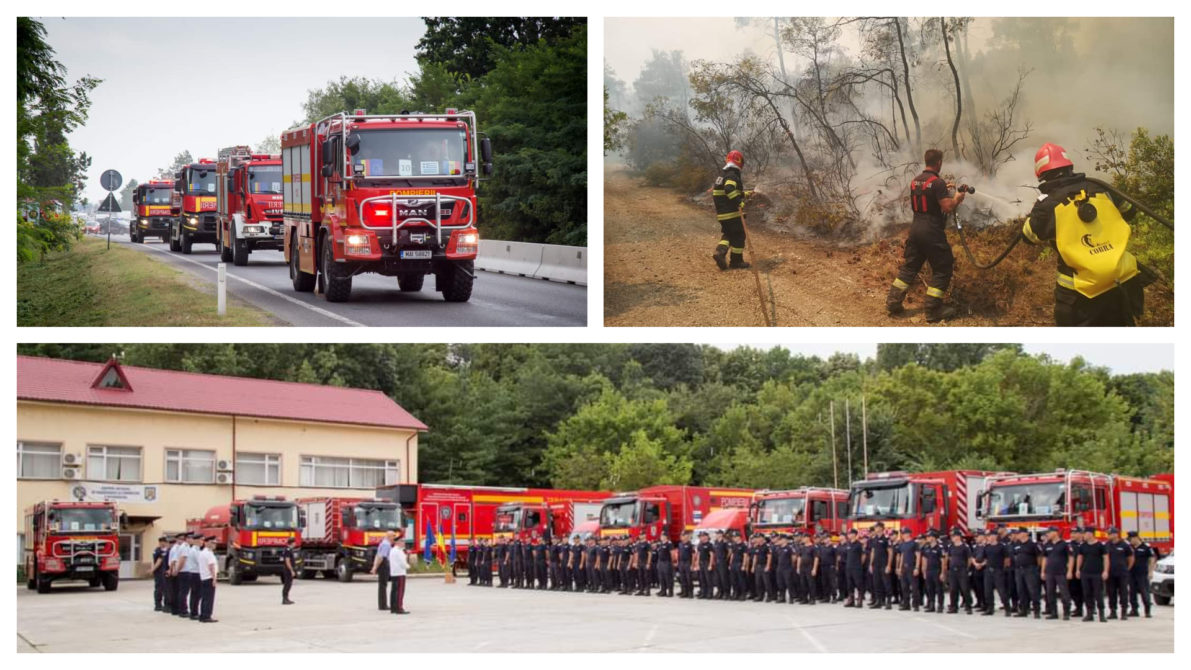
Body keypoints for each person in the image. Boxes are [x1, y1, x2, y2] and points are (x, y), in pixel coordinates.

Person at [1021, 142, 1150, 326]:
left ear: (1042, 175)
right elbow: (1129, 211)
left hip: (1081, 296)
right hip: (1123, 281)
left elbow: (1028, 237)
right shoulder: (1101, 189)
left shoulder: (1048, 205)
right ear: (1069, 167)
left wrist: (1038, 210)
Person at [886, 148, 967, 322]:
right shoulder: (937, 183)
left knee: (910, 267)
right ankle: (933, 310)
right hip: (932, 231)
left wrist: (943, 189)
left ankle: (893, 302)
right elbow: (947, 207)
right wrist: (957, 198)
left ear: (926, 161)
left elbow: (927, 194)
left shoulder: (916, 181)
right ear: (939, 163)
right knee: (943, 267)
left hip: (916, 229)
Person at [711, 150, 751, 271]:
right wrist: (739, 202)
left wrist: (745, 194)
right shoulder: (732, 175)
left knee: (729, 234)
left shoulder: (723, 175)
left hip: (722, 214)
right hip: (732, 213)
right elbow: (729, 189)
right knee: (739, 235)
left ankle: (720, 252)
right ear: (739, 162)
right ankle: (736, 261)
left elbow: (727, 191)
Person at [1041, 527, 1074, 620]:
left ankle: (1066, 612)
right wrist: (1043, 571)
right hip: (1049, 572)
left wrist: (1070, 571)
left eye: (1049, 532)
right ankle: (1053, 612)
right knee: (1050, 593)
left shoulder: (1064, 544)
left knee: (1064, 593)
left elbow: (1071, 558)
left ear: (1055, 533)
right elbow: (1045, 558)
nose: (1047, 534)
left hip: (1061, 572)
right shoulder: (1047, 545)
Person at [1076, 526, 1107, 622]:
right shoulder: (1083, 546)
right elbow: (1080, 558)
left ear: (1090, 534)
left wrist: (1105, 571)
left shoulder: (1100, 546)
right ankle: (1089, 613)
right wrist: (1078, 570)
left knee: (1098, 594)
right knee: (1087, 594)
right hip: (1085, 573)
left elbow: (1106, 559)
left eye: (1085, 533)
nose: (1083, 535)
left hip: (1097, 573)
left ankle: (1102, 614)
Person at [1104, 527, 1134, 620]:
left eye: (1110, 534)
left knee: (1123, 592)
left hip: (1122, 573)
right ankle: (1113, 612)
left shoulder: (1125, 545)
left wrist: (1127, 569)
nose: (1109, 536)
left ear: (1116, 534)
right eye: (1108, 534)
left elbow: (1131, 558)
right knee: (1111, 592)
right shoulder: (1107, 545)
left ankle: (1124, 612)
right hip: (1110, 573)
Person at [1012, 527, 1042, 618]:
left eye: (1019, 533)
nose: (1018, 535)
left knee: (1033, 590)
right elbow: (1015, 555)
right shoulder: (1017, 544)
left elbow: (1039, 557)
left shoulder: (1033, 544)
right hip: (1019, 569)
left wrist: (1037, 568)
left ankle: (1036, 610)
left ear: (1025, 534)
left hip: (1030, 569)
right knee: (1021, 590)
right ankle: (1024, 610)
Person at [983, 526, 1011, 617]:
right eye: (989, 536)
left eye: (992, 535)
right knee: (988, 591)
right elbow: (985, 559)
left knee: (1001, 591)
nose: (990, 537)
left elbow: (1007, 559)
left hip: (998, 570)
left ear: (995, 536)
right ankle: (990, 608)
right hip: (988, 570)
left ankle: (1007, 608)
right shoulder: (987, 547)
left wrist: (1003, 568)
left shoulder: (1001, 546)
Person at [1126, 531, 1155, 618]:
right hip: (1131, 573)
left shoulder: (1146, 547)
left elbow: (1152, 559)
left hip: (1142, 574)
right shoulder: (1129, 547)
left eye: (1130, 539)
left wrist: (1151, 571)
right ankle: (1134, 610)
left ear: (1136, 538)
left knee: (1144, 592)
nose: (1129, 541)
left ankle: (1147, 611)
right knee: (1132, 592)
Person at [944, 528, 973, 614]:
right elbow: (949, 557)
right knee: (953, 589)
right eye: (952, 536)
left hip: (962, 570)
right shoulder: (951, 546)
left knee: (965, 589)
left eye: (954, 536)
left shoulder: (965, 547)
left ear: (958, 537)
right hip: (953, 570)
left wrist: (967, 568)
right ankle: (953, 607)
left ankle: (968, 606)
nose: (952, 538)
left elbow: (969, 559)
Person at [868, 522, 893, 609]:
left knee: (886, 583)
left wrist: (889, 565)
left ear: (881, 528)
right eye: (875, 527)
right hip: (876, 564)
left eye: (876, 527)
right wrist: (871, 564)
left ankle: (888, 601)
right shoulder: (874, 539)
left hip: (884, 564)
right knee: (876, 583)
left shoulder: (886, 538)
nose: (875, 529)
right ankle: (878, 601)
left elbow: (890, 553)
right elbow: (873, 552)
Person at [920, 531, 945, 613]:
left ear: (934, 538)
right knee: (930, 589)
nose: (927, 538)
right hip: (929, 571)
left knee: (939, 589)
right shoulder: (927, 548)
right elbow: (924, 560)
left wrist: (942, 572)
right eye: (927, 537)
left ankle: (940, 605)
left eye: (929, 537)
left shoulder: (939, 548)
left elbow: (943, 561)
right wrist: (924, 571)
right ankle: (931, 605)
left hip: (937, 570)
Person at [895, 528, 919, 611]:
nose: (903, 535)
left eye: (904, 533)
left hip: (911, 567)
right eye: (902, 533)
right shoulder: (902, 544)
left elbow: (918, 556)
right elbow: (902, 556)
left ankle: (915, 604)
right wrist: (899, 567)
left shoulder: (914, 543)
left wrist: (917, 567)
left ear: (909, 533)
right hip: (904, 568)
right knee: (904, 587)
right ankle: (906, 604)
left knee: (914, 587)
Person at [371, 530, 394, 610]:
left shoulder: (383, 543)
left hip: (382, 564)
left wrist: (374, 567)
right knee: (383, 585)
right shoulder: (386, 545)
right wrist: (375, 567)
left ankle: (382, 604)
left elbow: (377, 555)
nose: (393, 538)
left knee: (382, 585)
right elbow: (381, 557)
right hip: (384, 564)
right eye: (393, 536)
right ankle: (383, 605)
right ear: (389, 536)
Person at [388, 530, 410, 615]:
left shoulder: (393, 550)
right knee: (400, 591)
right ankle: (399, 608)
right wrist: (408, 566)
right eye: (402, 541)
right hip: (400, 573)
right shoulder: (398, 551)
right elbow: (402, 563)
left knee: (394, 591)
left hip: (394, 573)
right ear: (397, 542)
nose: (404, 543)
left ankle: (393, 607)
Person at [842, 529, 866, 607]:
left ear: (854, 534)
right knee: (849, 584)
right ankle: (851, 600)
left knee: (858, 584)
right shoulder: (848, 544)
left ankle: (860, 600)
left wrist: (859, 564)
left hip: (856, 567)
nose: (848, 535)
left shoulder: (859, 544)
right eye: (848, 534)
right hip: (849, 567)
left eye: (850, 534)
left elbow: (863, 555)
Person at [198, 536, 218, 623]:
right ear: (207, 543)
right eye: (212, 543)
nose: (214, 545)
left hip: (204, 577)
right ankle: (207, 616)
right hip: (209, 577)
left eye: (215, 543)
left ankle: (203, 615)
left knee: (205, 598)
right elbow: (211, 566)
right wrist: (214, 578)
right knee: (209, 598)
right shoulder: (208, 553)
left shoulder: (202, 552)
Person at [184, 533, 203, 620]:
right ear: (196, 540)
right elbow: (200, 562)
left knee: (196, 594)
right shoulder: (194, 551)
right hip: (195, 574)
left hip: (195, 573)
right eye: (201, 540)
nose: (202, 542)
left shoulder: (197, 550)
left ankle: (194, 611)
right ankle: (194, 613)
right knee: (196, 594)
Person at [151, 535, 169, 612]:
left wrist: (152, 569)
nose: (162, 543)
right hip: (159, 572)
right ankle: (158, 605)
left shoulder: (164, 550)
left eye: (163, 542)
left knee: (165, 589)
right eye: (161, 542)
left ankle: (165, 605)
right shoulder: (158, 550)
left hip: (163, 572)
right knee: (159, 589)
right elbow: (158, 561)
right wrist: (152, 569)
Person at [677, 531, 694, 598]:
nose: (683, 537)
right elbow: (679, 554)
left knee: (688, 578)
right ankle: (684, 592)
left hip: (687, 562)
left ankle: (690, 593)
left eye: (684, 535)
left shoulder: (690, 545)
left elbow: (693, 555)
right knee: (682, 578)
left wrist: (692, 564)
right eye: (682, 536)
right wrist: (678, 562)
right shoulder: (680, 544)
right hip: (681, 562)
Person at [280, 536, 297, 605]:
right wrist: (291, 570)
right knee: (287, 584)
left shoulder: (288, 549)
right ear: (292, 543)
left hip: (288, 569)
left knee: (288, 584)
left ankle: (286, 598)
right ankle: (285, 599)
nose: (295, 544)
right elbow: (287, 561)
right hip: (288, 570)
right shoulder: (288, 550)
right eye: (294, 542)